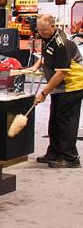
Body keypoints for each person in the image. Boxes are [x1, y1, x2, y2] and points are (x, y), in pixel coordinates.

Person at [26, 14, 83, 168]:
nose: (41, 33)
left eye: (45, 30)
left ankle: (70, 157)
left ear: (53, 26)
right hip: (59, 87)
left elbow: (62, 72)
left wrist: (44, 93)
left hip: (72, 86)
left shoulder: (62, 43)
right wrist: (36, 66)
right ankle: (54, 152)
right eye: (39, 30)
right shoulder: (47, 37)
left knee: (65, 122)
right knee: (54, 120)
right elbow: (45, 54)